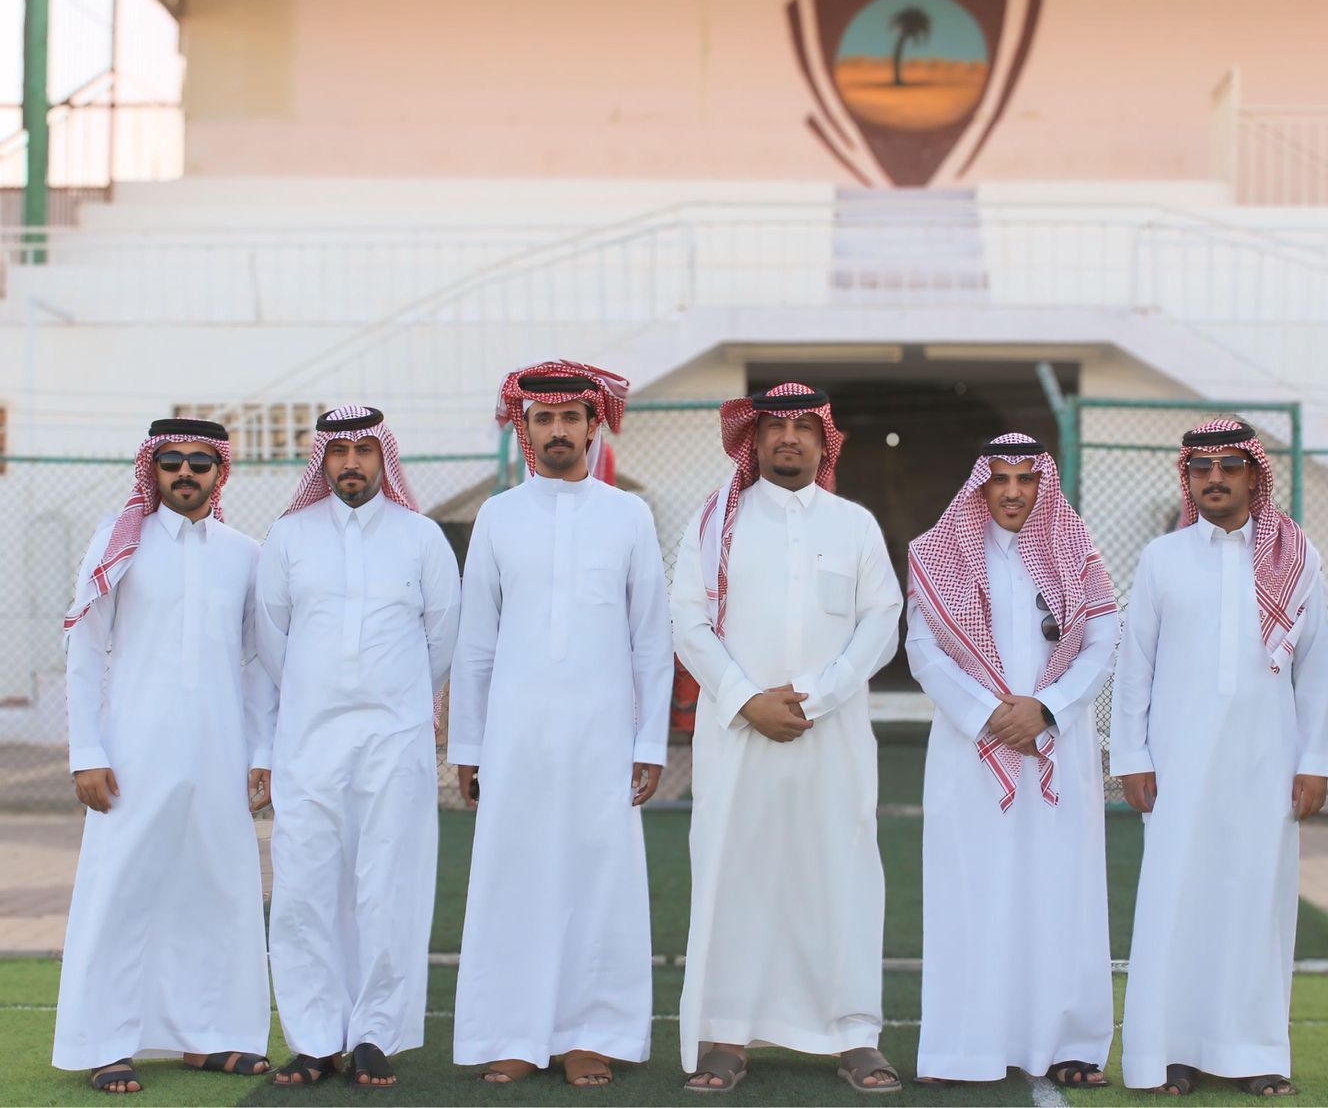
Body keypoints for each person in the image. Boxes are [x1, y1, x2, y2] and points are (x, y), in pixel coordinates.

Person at [670, 382, 903, 1095]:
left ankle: (854, 1034)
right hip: (739, 735)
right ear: (754, 438)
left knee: (842, 873)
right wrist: (747, 699)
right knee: (734, 872)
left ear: (824, 440)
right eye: (775, 426)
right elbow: (687, 621)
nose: (789, 437)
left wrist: (817, 697)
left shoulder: (854, 524)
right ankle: (726, 1035)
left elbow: (882, 620)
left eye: (805, 426)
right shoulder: (714, 524)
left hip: (833, 737)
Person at [449, 361, 673, 1088]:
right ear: (526, 428)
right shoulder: (498, 515)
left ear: (591, 425)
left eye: (570, 418)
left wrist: (649, 741)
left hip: (603, 735)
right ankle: (515, 1034)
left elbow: (650, 639)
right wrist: (469, 745)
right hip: (515, 736)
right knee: (514, 877)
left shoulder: (628, 515)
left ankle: (589, 1036)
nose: (556, 431)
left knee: (598, 881)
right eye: (543, 419)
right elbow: (476, 641)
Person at [1111, 419, 1328, 1098]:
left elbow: (1315, 669)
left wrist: (1315, 760)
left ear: (1253, 474)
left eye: (1229, 466)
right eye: (1201, 467)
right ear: (1188, 477)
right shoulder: (1163, 558)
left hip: (1268, 764)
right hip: (1177, 764)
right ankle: (1171, 1052)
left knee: (1255, 903)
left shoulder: (1296, 558)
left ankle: (1253, 1053)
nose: (1214, 478)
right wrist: (1131, 754)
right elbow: (1135, 665)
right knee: (1176, 902)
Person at [54, 418, 276, 1094]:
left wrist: (262, 751)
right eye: (171, 460)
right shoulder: (119, 542)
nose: (185, 472)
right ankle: (105, 1042)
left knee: (220, 887)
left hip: (220, 748)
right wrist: (85, 751)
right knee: (120, 888)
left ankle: (211, 1038)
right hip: (132, 748)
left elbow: (260, 665)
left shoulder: (245, 554)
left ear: (219, 473)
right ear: (152, 469)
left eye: (199, 462)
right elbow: (84, 647)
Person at [905, 433, 1120, 1088]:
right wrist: (990, 715)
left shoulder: (1077, 554)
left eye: (1026, 479)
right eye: (1000, 478)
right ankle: (962, 1049)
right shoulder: (937, 554)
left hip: (1058, 747)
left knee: (1063, 894)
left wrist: (1047, 709)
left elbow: (1103, 642)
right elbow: (922, 649)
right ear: (981, 486)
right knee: (970, 893)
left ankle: (1070, 1045)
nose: (1013, 491)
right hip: (972, 749)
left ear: (1042, 485)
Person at [255, 406, 460, 1089]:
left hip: (395, 740)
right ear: (322, 459)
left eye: (364, 450)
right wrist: (323, 693)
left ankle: (376, 1034)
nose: (351, 463)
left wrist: (391, 696)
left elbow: (441, 640)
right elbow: (273, 642)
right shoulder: (288, 537)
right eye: (338, 451)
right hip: (308, 740)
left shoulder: (421, 537)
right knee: (304, 888)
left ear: (383, 458)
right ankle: (315, 1039)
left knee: (389, 885)